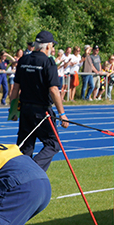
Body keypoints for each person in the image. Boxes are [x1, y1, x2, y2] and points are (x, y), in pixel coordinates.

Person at [8, 30, 69, 172]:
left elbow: (15, 88)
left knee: (25, 147)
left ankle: (20, 178)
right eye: (52, 46)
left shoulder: (23, 60)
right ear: (47, 46)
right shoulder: (48, 62)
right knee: (53, 143)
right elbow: (54, 90)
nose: (52, 49)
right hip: (42, 111)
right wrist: (62, 114)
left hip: (25, 110)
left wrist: (13, 111)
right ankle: (33, 170)